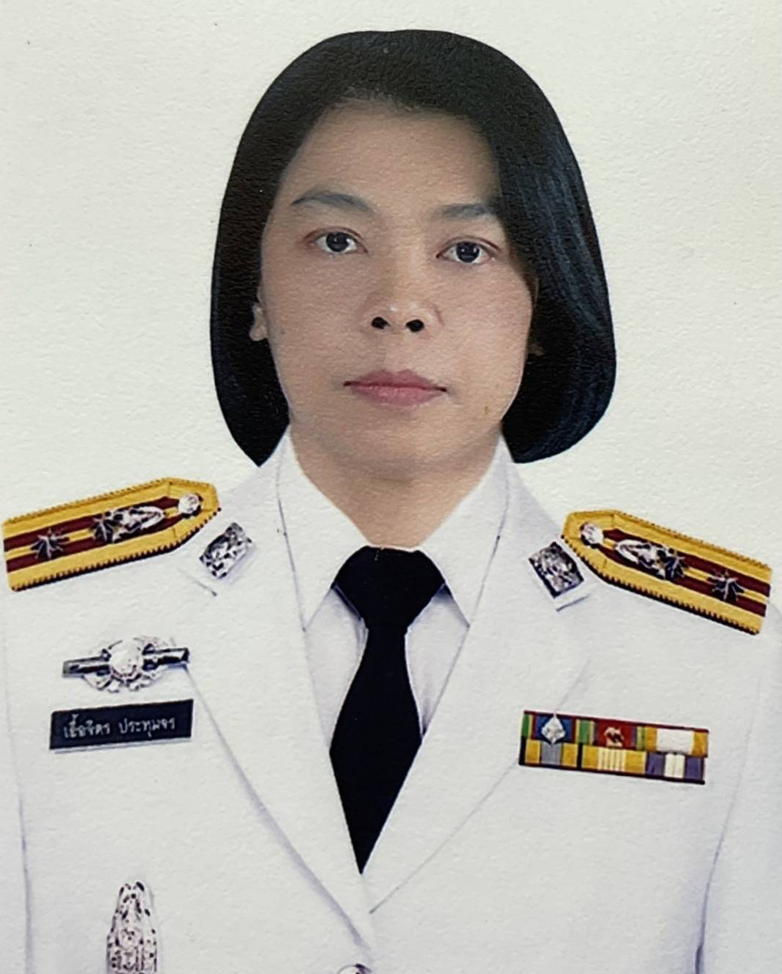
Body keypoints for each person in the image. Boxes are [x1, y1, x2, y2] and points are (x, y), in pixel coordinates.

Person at [1, 28, 780, 974]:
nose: (399, 305)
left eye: (467, 249)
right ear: (254, 291)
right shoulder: (34, 639)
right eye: (337, 241)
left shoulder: (725, 672)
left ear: (542, 302)